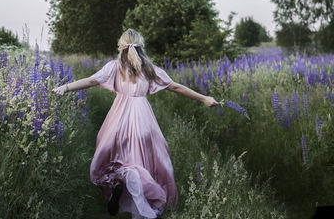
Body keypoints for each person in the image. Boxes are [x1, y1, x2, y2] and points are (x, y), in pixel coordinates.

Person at [51, 29, 219, 218]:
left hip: (118, 118)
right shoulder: (150, 69)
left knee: (118, 157)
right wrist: (204, 98)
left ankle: (119, 184)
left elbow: (91, 80)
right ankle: (142, 200)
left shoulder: (114, 67)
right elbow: (176, 87)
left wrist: (64, 88)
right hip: (143, 120)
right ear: (141, 46)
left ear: (121, 46)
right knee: (144, 159)